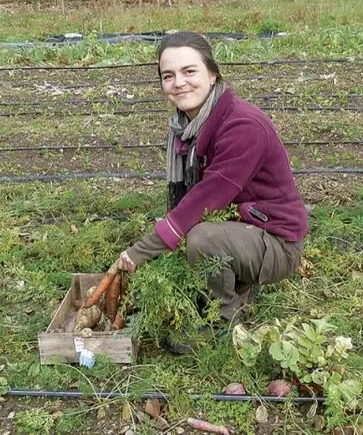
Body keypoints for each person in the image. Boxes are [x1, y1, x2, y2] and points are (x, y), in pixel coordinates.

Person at [112, 31, 308, 333]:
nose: (179, 83)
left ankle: (223, 322)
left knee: (201, 238)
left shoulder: (242, 126)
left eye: (190, 71)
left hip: (277, 241)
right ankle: (235, 281)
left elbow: (205, 200)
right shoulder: (189, 125)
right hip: (246, 223)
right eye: (168, 76)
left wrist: (139, 252)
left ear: (213, 74)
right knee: (180, 232)